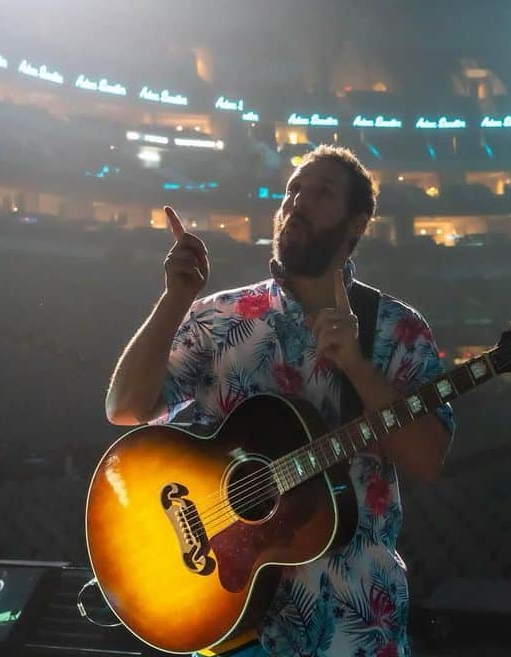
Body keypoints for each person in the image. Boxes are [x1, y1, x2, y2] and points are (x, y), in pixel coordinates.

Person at [105, 144, 455, 656]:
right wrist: (175, 298)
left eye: (321, 194)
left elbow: (427, 459)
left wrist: (357, 367)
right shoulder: (218, 316)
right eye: (292, 190)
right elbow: (126, 407)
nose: (296, 202)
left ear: (357, 224)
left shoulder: (397, 329)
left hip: (355, 626)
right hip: (235, 625)